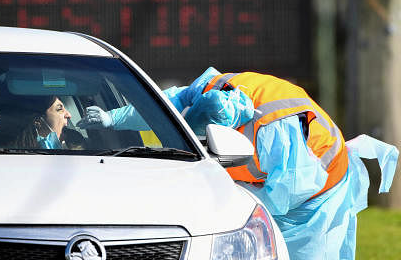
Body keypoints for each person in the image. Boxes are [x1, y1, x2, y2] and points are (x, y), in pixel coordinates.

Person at [78, 67, 398, 260]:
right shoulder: (210, 89)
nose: (202, 145)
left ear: (230, 129)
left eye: (204, 138)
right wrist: (111, 117)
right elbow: (165, 105)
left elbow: (280, 198)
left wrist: (227, 188)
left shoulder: (275, 134)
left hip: (318, 193)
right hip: (291, 177)